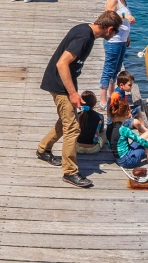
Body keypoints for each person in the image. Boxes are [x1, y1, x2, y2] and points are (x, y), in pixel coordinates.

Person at [35, 11, 124, 188]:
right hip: (60, 85)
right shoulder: (84, 36)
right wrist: (73, 93)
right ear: (110, 29)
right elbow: (62, 64)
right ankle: (70, 172)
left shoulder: (86, 31)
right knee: (73, 128)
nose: (114, 36)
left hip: (62, 84)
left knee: (67, 121)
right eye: (116, 33)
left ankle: (43, 149)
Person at [100, 0, 137, 109]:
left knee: (115, 71)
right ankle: (103, 100)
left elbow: (122, 23)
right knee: (108, 70)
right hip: (113, 41)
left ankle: (112, 96)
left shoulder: (122, 0)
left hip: (121, 40)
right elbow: (108, 16)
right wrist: (124, 15)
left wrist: (126, 36)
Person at [109, 98, 148, 179]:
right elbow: (140, 140)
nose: (131, 112)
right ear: (126, 114)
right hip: (128, 161)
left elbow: (110, 144)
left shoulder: (110, 127)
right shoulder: (124, 129)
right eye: (129, 111)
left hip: (119, 158)